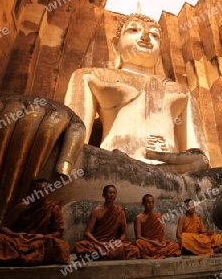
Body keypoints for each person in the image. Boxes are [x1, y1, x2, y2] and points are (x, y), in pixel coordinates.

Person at [64, 13, 209, 173]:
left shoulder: (181, 92)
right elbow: (73, 144)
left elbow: (199, 159)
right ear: (115, 44)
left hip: (171, 176)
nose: (146, 37)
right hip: (115, 168)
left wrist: (196, 164)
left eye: (154, 35)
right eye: (134, 29)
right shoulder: (91, 77)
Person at [0, 178, 70, 266]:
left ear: (49, 191)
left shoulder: (53, 208)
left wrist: (42, 236)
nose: (38, 193)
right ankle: (27, 257)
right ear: (32, 191)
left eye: (42, 190)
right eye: (36, 190)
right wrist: (16, 235)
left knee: (62, 246)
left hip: (39, 242)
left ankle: (19, 257)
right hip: (19, 241)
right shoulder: (22, 207)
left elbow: (59, 231)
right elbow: (3, 227)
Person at [74, 185, 140, 260]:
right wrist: (99, 243)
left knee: (135, 250)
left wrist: (117, 242)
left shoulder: (119, 211)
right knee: (79, 246)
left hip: (113, 244)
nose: (112, 195)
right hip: (98, 243)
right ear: (103, 195)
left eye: (114, 193)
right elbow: (87, 233)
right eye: (109, 192)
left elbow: (123, 233)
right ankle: (110, 254)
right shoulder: (97, 211)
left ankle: (101, 255)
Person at [134, 194, 181, 259]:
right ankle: (162, 253)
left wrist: (163, 242)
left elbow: (162, 232)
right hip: (148, 242)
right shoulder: (139, 218)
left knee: (175, 245)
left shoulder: (157, 216)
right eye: (148, 202)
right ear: (143, 203)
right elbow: (138, 236)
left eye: (152, 202)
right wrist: (152, 242)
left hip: (158, 242)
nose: (151, 205)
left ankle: (154, 254)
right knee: (139, 243)